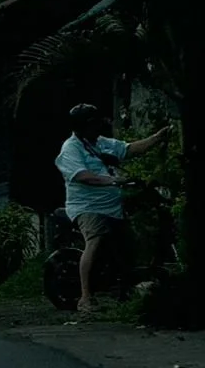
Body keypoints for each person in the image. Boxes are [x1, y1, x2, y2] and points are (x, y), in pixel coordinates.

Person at [55, 102, 170, 312]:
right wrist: (112, 181)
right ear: (83, 126)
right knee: (95, 240)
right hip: (87, 206)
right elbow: (81, 175)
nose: (98, 126)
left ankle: (127, 290)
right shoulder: (71, 148)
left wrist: (157, 137)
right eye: (92, 123)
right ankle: (85, 298)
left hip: (113, 205)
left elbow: (129, 149)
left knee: (129, 242)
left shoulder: (100, 142)